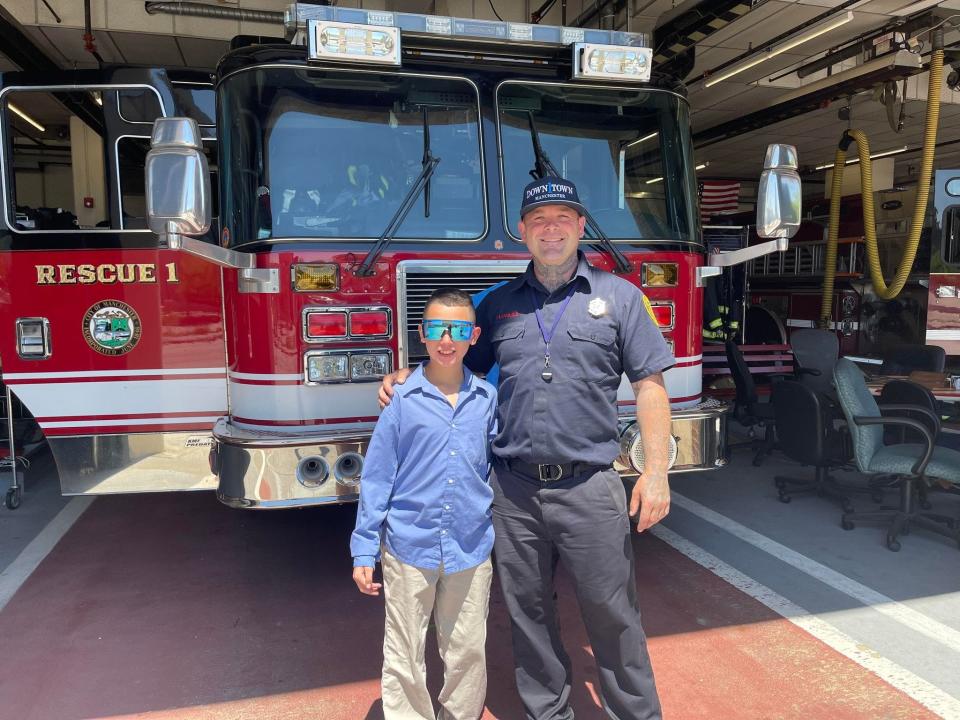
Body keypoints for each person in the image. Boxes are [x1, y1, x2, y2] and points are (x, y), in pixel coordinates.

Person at [379, 176, 674, 720]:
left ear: (582, 227)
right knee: (528, 615)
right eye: (540, 221)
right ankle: (549, 713)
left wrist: (656, 472)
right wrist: (408, 374)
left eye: (563, 218)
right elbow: (452, 360)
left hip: (591, 488)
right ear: (522, 232)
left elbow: (650, 386)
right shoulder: (496, 306)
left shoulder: (620, 297)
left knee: (613, 615)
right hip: (512, 491)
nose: (552, 230)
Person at [352, 288, 498, 720]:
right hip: (407, 549)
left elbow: (496, 466)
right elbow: (377, 478)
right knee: (404, 653)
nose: (446, 340)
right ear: (422, 334)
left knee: (468, 650)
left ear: (474, 336)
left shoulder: (488, 401)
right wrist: (364, 548)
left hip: (470, 549)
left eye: (456, 330)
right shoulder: (401, 400)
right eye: (436, 328)